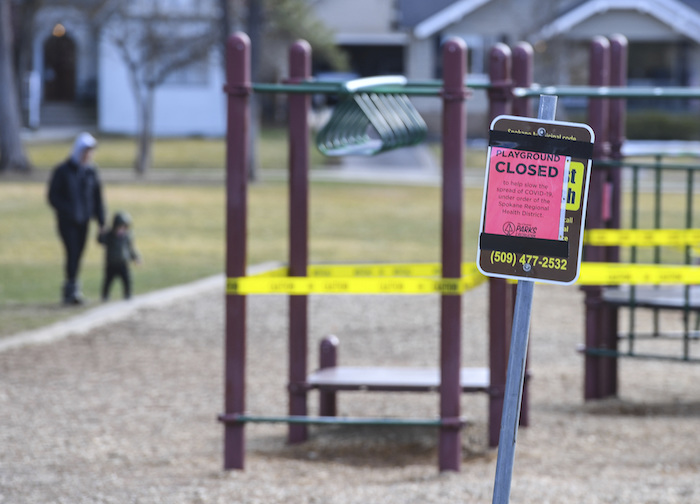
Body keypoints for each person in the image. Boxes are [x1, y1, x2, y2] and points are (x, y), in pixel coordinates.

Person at [47, 132, 105, 305]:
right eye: (85, 151)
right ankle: (70, 291)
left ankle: (73, 289)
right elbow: (52, 196)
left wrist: (101, 222)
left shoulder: (91, 172)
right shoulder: (63, 171)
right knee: (72, 252)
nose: (88, 155)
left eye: (90, 152)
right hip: (67, 222)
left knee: (79, 254)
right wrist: (68, 210)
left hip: (84, 221)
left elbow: (97, 199)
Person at [98, 211, 141, 301]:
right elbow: (101, 241)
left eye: (124, 227)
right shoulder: (110, 236)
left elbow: (131, 249)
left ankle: (127, 294)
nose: (122, 229)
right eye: (120, 227)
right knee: (108, 281)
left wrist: (136, 258)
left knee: (127, 280)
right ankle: (105, 295)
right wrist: (101, 233)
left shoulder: (127, 237)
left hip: (123, 263)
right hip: (111, 263)